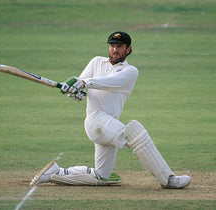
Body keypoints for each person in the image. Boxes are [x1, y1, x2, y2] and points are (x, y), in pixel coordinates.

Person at [30, 31, 191, 189]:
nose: (115, 49)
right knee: (134, 134)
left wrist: (84, 83)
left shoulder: (130, 72)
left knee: (101, 176)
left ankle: (55, 172)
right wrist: (75, 91)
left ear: (128, 49)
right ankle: (168, 179)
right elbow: (81, 84)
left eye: (120, 46)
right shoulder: (96, 62)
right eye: (112, 46)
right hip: (95, 121)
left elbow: (109, 82)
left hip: (109, 125)